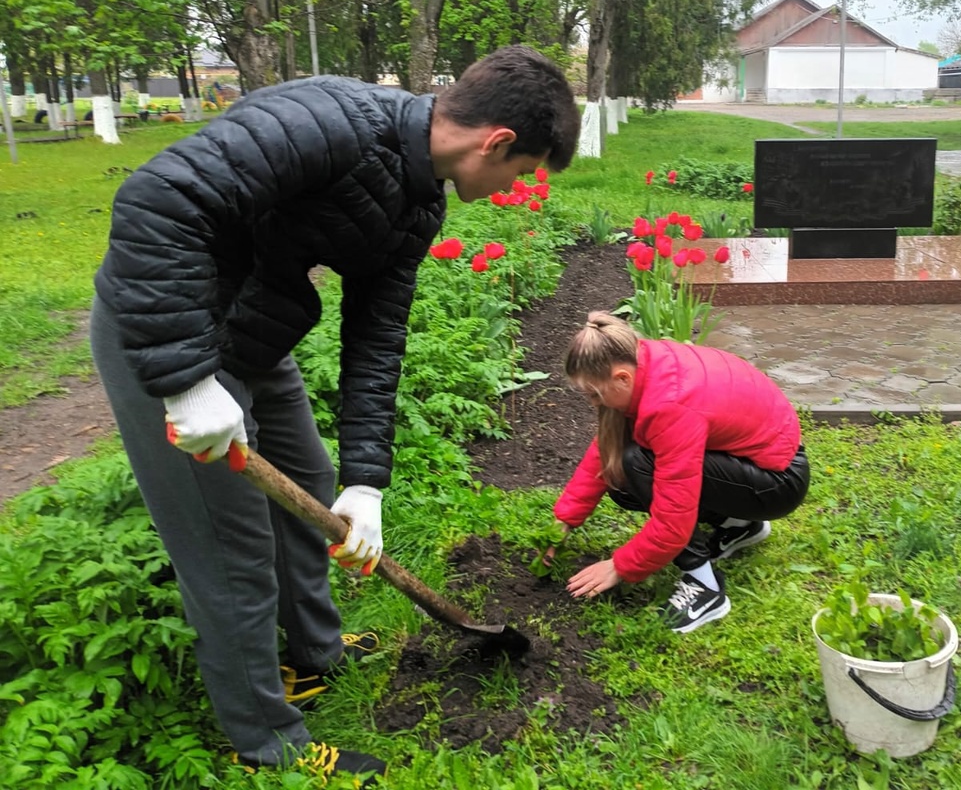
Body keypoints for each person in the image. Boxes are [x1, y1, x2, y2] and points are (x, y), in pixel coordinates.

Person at [89, 46, 579, 783]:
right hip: (165, 333)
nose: (518, 186)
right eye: (525, 171)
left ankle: (313, 657)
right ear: (497, 142)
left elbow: (375, 340)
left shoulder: (418, 202)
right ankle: (263, 743)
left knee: (314, 487)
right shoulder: (330, 122)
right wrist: (187, 382)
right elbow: (158, 201)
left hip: (251, 335)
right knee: (231, 555)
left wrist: (367, 482)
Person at [546, 312, 810, 633]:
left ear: (622, 379)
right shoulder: (641, 358)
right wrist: (564, 521)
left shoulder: (669, 405)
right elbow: (605, 451)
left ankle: (705, 587)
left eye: (594, 395)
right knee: (621, 473)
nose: (592, 403)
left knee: (638, 464)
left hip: (777, 483)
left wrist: (619, 566)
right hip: (753, 463)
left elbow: (674, 521)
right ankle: (739, 525)